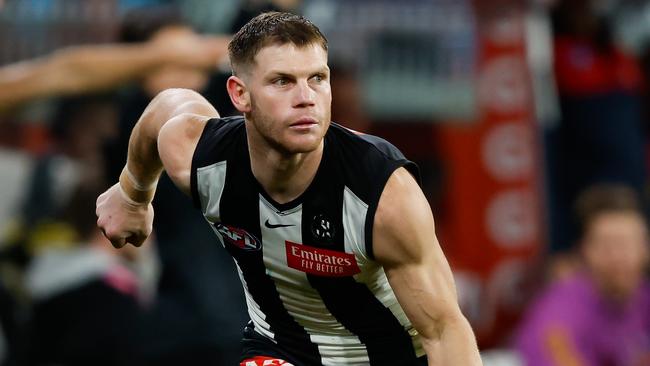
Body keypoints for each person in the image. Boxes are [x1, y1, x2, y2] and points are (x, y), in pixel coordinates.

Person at [96, 12, 482, 366]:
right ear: (239, 94)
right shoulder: (205, 159)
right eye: (282, 81)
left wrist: (132, 193)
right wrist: (133, 193)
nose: (305, 98)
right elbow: (167, 106)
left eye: (317, 78)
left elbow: (446, 332)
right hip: (280, 350)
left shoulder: (381, 192)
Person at [515, 184, 650, 365]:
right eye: (608, 245)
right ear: (584, 251)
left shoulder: (644, 298)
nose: (620, 257)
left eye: (628, 244)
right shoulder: (561, 308)